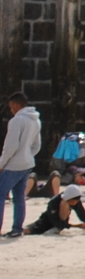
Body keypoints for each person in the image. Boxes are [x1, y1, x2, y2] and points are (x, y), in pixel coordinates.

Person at [2, 91, 39, 238]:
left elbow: (10, 146)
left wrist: (2, 163)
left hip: (13, 165)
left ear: (16, 105)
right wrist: (28, 156)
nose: (11, 110)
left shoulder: (16, 121)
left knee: (1, 194)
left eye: (11, 107)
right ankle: (17, 228)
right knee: (19, 197)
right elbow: (37, 145)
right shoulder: (36, 120)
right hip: (27, 163)